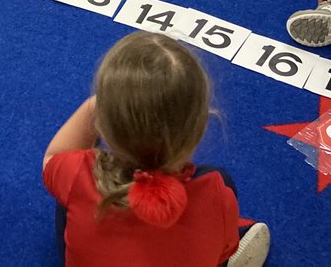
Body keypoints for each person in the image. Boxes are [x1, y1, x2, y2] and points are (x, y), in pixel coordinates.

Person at [44, 32, 269, 267]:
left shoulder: (77, 172)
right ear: (201, 126)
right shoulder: (216, 191)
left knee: (69, 187)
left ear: (100, 121)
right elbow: (222, 251)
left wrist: (98, 104)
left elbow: (53, 157)